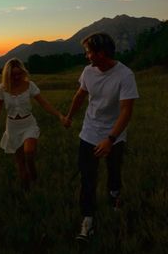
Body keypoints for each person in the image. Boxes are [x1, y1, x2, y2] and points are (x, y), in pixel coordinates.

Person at [63, 32, 139, 242]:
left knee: (113, 171)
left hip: (115, 134)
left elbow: (126, 111)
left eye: (89, 52)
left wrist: (110, 139)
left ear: (101, 53)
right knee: (87, 177)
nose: (87, 56)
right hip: (89, 131)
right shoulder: (89, 72)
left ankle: (114, 197)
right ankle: (88, 220)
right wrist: (69, 116)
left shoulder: (125, 75)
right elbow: (80, 95)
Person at [0, 58, 65, 191]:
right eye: (13, 74)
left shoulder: (29, 85)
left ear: (23, 72)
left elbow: (44, 103)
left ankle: (33, 174)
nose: (16, 77)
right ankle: (26, 189)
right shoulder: (2, 89)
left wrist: (59, 115)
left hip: (28, 124)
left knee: (29, 152)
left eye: (18, 74)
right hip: (12, 127)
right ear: (7, 75)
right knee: (20, 163)